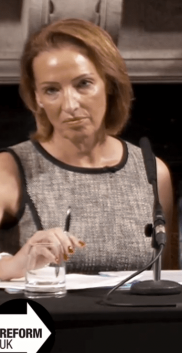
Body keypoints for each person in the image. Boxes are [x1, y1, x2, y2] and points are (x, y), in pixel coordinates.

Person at [0, 18, 173, 280]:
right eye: (51, 90)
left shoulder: (152, 171)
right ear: (37, 98)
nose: (69, 104)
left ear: (110, 84)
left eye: (83, 84)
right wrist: (16, 264)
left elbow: (167, 275)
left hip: (136, 319)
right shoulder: (10, 169)